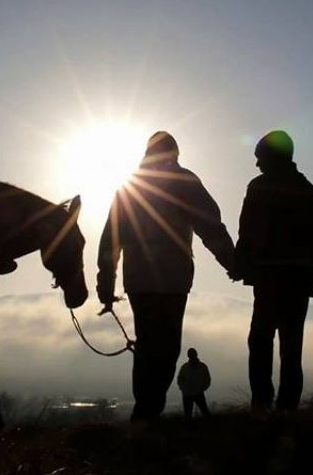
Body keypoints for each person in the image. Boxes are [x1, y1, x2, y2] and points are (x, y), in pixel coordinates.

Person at [97, 131, 236, 421]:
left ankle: (145, 412)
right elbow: (210, 226)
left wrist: (105, 284)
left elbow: (110, 238)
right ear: (174, 153)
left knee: (147, 343)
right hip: (173, 279)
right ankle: (149, 412)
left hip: (139, 279)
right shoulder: (185, 181)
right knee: (167, 347)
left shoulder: (130, 186)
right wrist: (233, 263)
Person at [234, 130, 313, 412]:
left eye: (259, 158)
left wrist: (240, 265)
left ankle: (262, 403)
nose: (257, 164)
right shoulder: (309, 193)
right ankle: (287, 407)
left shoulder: (259, 188)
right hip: (299, 280)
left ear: (271, 157)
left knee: (261, 340)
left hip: (268, 276)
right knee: (291, 346)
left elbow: (246, 232)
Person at [177, 347, 212, 420]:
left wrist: (203, 388)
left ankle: (208, 426)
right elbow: (180, 379)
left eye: (192, 354)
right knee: (188, 415)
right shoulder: (185, 367)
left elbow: (207, 379)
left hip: (197, 393)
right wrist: (183, 388)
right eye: (190, 354)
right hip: (188, 394)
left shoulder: (202, 366)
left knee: (204, 412)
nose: (191, 356)